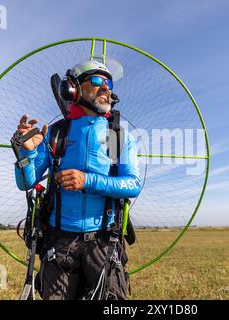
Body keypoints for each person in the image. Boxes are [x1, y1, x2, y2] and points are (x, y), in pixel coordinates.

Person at [14, 60, 141, 300]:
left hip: (104, 241)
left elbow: (132, 184)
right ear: (72, 89)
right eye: (96, 81)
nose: (106, 88)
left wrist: (88, 180)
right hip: (59, 242)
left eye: (109, 83)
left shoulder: (116, 135)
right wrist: (27, 153)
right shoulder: (56, 134)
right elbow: (26, 182)